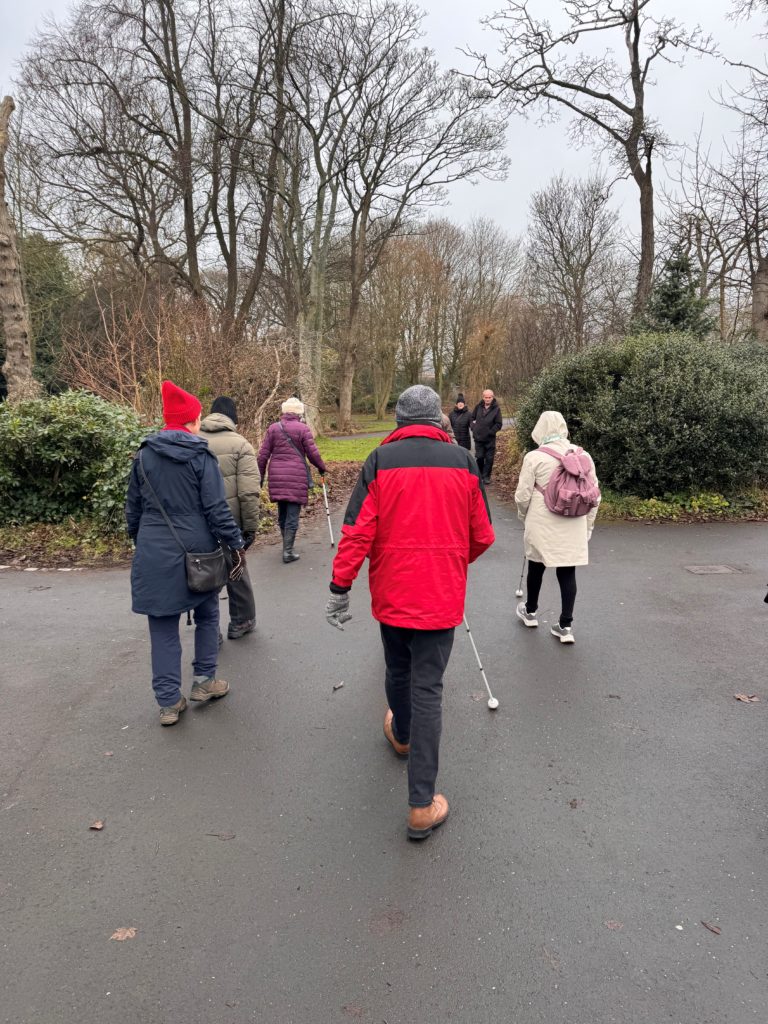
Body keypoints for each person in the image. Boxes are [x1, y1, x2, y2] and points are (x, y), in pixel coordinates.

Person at [324, 384, 495, 840]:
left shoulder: (380, 461)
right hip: (440, 594)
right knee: (429, 688)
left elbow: (357, 531)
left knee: (398, 670)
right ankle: (421, 802)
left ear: (398, 421)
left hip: (394, 593)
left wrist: (340, 586)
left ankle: (401, 733)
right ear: (438, 418)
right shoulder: (463, 461)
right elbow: (483, 534)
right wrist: (452, 560)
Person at [125, 381, 246, 726]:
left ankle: (167, 703)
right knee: (207, 613)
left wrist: (144, 541)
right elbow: (216, 509)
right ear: (192, 420)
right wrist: (235, 544)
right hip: (198, 550)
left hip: (153, 551)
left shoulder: (144, 454)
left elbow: (132, 508)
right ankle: (204, 682)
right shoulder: (200, 454)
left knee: (162, 626)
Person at [513, 410, 600, 644]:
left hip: (542, 520)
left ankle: (530, 612)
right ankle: (566, 625)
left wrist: (524, 516)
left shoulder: (534, 457)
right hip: (574, 521)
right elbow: (594, 496)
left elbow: (522, 496)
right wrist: (588, 527)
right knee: (567, 571)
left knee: (536, 565)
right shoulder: (584, 457)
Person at [201, 397, 260, 639]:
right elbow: (248, 492)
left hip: (200, 522)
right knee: (237, 569)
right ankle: (241, 621)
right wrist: (249, 529)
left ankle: (209, 630)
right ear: (233, 418)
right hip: (229, 522)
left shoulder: (193, 440)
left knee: (204, 573)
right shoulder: (241, 445)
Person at [257, 397, 328, 564]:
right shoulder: (303, 429)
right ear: (299, 413)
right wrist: (321, 467)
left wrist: (259, 477)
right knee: (293, 514)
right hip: (296, 475)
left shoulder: (273, 428)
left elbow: (263, 455)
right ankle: (288, 551)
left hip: (277, 475)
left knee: (282, 511)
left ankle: (286, 546)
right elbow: (313, 453)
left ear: (284, 411)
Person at [470, 389, 503, 483]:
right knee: (479, 457)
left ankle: (486, 477)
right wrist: (473, 427)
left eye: (489, 397)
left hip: (490, 439)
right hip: (478, 438)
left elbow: (498, 424)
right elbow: (472, 418)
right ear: (483, 397)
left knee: (489, 459)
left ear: (492, 397)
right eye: (486, 397)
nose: (487, 399)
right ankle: (480, 474)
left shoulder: (496, 409)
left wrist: (490, 432)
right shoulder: (478, 407)